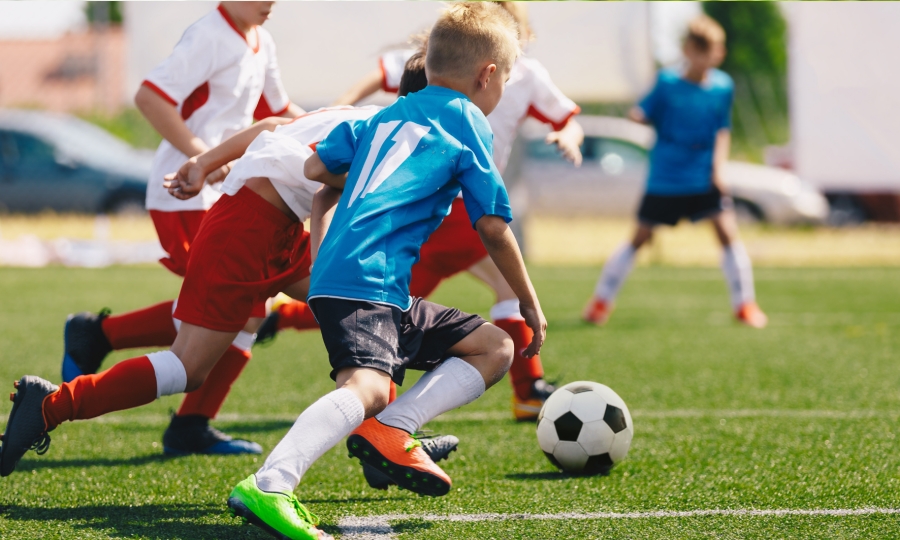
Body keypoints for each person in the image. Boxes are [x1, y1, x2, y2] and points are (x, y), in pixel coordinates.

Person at [225, 5, 546, 538]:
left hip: (370, 284)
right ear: (487, 74)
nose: (502, 92)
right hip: (364, 280)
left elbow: (316, 169)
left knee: (494, 348)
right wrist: (529, 301)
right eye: (506, 80)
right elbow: (492, 226)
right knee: (368, 386)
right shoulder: (468, 119)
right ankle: (271, 484)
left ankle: (392, 430)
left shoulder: (383, 115)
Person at [262, 2, 583, 422]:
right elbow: (381, 74)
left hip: (452, 200)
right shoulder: (450, 72)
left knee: (390, 306)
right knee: (388, 307)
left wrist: (568, 134)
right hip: (439, 205)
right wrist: (341, 112)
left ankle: (521, 391)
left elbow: (567, 115)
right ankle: (385, 417)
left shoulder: (525, 72)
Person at [59, 1, 303, 456]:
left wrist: (339, 125)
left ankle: (178, 410)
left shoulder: (260, 39)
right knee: (239, 310)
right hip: (184, 191)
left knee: (241, 311)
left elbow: (280, 109)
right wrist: (204, 158)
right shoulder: (209, 34)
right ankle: (172, 407)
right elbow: (149, 98)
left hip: (224, 190)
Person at [583, 15, 768, 330]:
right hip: (666, 178)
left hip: (704, 178)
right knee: (640, 237)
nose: (711, 57)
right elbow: (642, 111)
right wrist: (638, 114)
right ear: (689, 50)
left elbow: (722, 129)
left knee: (727, 233)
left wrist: (718, 169)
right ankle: (600, 302)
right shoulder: (667, 83)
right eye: (703, 50)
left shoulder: (723, 86)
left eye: (716, 50)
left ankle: (745, 305)